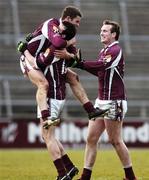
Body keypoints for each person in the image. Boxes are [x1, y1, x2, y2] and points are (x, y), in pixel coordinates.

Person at [67, 20, 137, 180]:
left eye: (105, 31)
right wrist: (81, 64)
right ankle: (85, 177)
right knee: (91, 138)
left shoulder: (116, 49)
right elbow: (100, 71)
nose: (101, 33)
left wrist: (79, 63)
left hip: (114, 101)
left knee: (115, 141)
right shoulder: (104, 50)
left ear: (114, 34)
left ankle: (131, 177)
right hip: (101, 101)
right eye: (101, 30)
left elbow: (100, 67)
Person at [17, 5, 108, 128]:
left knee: (73, 77)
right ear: (68, 19)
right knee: (43, 84)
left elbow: (74, 56)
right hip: (29, 58)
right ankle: (46, 118)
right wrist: (69, 44)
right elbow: (58, 43)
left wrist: (68, 55)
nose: (78, 25)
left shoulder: (67, 32)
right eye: (77, 21)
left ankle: (91, 110)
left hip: (43, 60)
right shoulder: (51, 24)